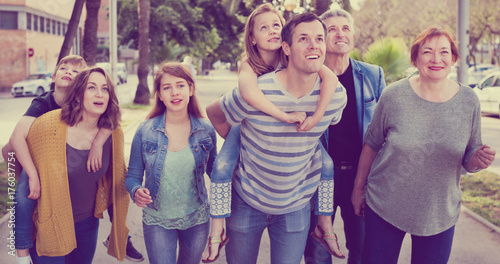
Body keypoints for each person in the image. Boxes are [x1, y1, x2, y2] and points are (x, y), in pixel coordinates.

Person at [202, 4, 343, 262]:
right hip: (247, 182)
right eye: (263, 28)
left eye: (276, 25)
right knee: (222, 166)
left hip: (294, 204)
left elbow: (329, 77)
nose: (272, 32)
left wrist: (317, 116)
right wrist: (243, 139)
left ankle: (325, 225)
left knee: (326, 164)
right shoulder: (251, 70)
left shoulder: (327, 87)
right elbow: (237, 99)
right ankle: (216, 231)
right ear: (252, 38)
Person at [351, 26, 496, 264]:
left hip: (439, 212)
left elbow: (470, 156)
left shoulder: (468, 101)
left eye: (444, 52)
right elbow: (371, 144)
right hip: (385, 204)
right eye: (428, 51)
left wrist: (477, 160)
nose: (436, 59)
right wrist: (358, 190)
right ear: (415, 58)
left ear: (454, 59)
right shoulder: (394, 95)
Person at [2, 55, 144, 264]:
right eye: (91, 87)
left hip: (87, 223)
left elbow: (118, 180)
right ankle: (21, 253)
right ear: (77, 93)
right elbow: (11, 145)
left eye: (105, 89)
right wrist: (30, 174)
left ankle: (124, 237)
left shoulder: (111, 130)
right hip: (51, 220)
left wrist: (98, 143)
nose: (99, 94)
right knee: (23, 194)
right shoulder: (44, 114)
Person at [304, 9, 386, 264]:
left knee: (362, 249)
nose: (340, 33)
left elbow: (385, 128)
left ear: (353, 35)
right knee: (317, 251)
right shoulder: (308, 77)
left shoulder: (373, 75)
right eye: (331, 29)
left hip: (360, 178)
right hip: (317, 176)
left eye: (346, 28)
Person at [125, 62, 217, 264]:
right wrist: (136, 191)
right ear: (158, 93)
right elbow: (132, 176)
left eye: (180, 85)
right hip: (158, 219)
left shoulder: (205, 130)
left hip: (197, 219)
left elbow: (216, 173)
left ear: (191, 89)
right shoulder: (145, 131)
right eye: (167, 87)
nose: (174, 92)